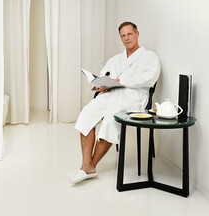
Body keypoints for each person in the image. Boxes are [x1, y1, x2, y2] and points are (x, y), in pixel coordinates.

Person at [68, 21, 160, 184]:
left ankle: (90, 166)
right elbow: (105, 75)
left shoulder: (149, 57)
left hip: (134, 97)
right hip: (112, 93)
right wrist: (102, 85)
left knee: (111, 120)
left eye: (129, 34)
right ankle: (86, 165)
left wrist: (119, 79)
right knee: (87, 113)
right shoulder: (116, 59)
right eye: (123, 36)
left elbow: (149, 78)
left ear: (137, 34)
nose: (126, 38)